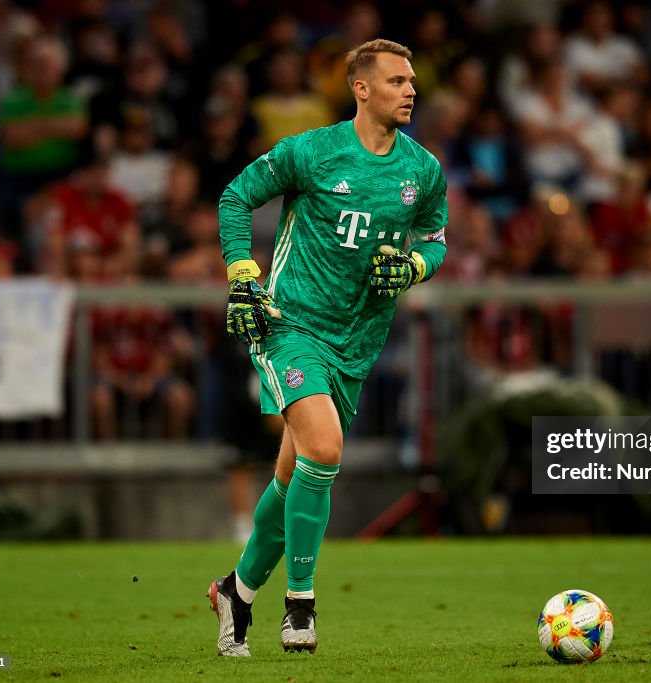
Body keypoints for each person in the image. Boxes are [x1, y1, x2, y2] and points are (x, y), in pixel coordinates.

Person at [207, 39, 448, 657]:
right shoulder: (310, 152)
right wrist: (242, 272)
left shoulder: (421, 170)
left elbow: (436, 238)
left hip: (358, 340)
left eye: (412, 81)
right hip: (290, 323)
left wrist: (416, 265)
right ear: (361, 88)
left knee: (293, 478)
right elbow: (235, 197)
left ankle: (237, 590)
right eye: (397, 81)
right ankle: (301, 606)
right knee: (325, 447)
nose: (411, 90)